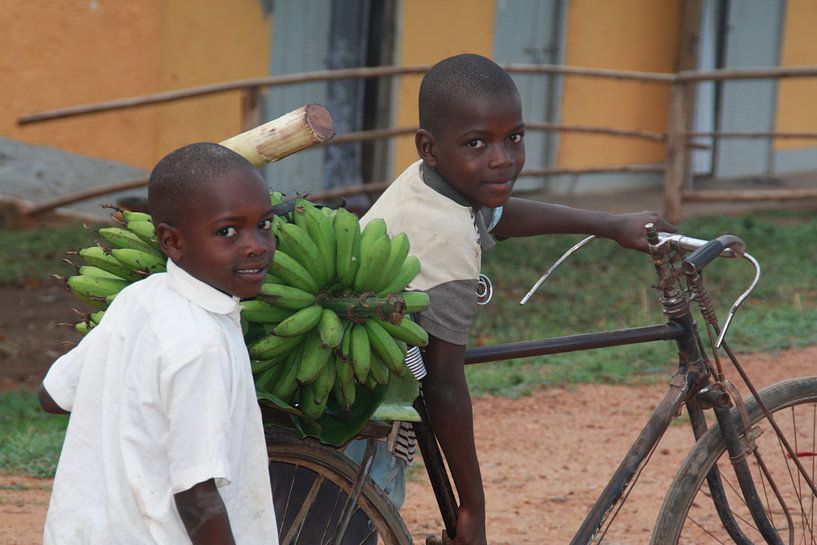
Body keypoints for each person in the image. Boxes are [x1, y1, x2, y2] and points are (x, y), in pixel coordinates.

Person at [359, 53, 676, 545]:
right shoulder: (444, 236)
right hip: (366, 414)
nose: (502, 158)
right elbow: (444, 386)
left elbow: (502, 216)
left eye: (514, 138)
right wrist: (474, 509)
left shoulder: (437, 184)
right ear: (430, 147)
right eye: (477, 143)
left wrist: (610, 225)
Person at [38, 142, 279, 545]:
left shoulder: (141, 297)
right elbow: (197, 496)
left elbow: (52, 395)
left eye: (264, 224)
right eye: (227, 231)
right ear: (172, 242)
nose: (256, 244)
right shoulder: (201, 346)